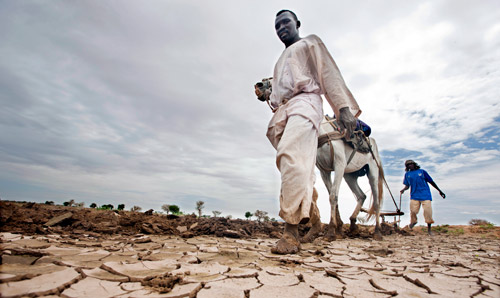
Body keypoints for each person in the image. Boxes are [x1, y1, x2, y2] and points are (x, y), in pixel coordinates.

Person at [262, 10, 361, 254]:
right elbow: (277, 92)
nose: (281, 27)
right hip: (283, 110)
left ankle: (291, 232)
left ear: (297, 23)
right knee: (296, 166)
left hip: (306, 102)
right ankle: (316, 221)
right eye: (277, 25)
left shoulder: (310, 42)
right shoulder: (280, 60)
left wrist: (343, 108)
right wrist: (267, 93)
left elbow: (328, 72)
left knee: (290, 155)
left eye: (285, 22)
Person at [400, 160, 446, 235]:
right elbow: (407, 185)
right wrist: (403, 190)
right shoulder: (407, 174)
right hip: (414, 195)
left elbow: (431, 181)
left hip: (425, 195)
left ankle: (429, 230)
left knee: (428, 212)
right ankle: (413, 222)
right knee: (413, 211)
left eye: (411, 164)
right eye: (408, 165)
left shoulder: (422, 172)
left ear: (414, 164)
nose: (409, 166)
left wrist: (439, 191)